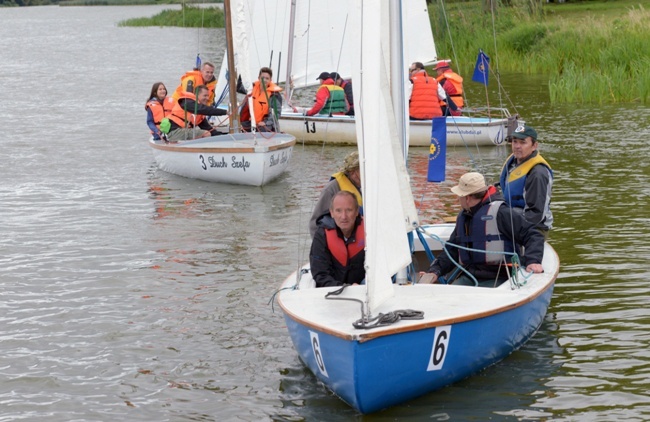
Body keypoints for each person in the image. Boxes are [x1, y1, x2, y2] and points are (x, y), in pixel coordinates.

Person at [424, 172, 545, 287]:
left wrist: (533, 261)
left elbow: (533, 235)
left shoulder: (501, 212)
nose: (458, 199)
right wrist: (435, 271)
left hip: (501, 277)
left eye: (459, 196)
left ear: (467, 198)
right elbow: (453, 249)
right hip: (470, 276)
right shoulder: (464, 216)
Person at [499, 124, 553, 237]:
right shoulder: (514, 162)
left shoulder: (537, 173)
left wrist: (508, 226)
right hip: (512, 219)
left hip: (534, 230)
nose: (517, 146)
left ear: (534, 146)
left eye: (523, 142)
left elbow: (535, 214)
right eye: (514, 141)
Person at [310, 191, 365, 288]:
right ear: (332, 213)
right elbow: (320, 275)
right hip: (335, 292)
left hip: (364, 288)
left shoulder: (368, 231)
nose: (344, 216)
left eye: (349, 210)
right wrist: (346, 288)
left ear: (357, 212)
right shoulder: (322, 235)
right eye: (338, 211)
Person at [309, 151, 362, 238]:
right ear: (353, 173)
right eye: (363, 170)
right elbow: (315, 223)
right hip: (337, 241)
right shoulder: (331, 190)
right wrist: (321, 246)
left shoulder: (368, 188)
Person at [239, 67, 283, 132]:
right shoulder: (252, 88)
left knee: (262, 129)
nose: (264, 80)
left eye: (267, 78)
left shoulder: (274, 95)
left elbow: (276, 113)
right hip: (252, 122)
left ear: (270, 80)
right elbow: (239, 88)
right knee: (238, 127)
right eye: (262, 78)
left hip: (266, 124)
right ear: (258, 78)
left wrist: (266, 122)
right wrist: (239, 75)